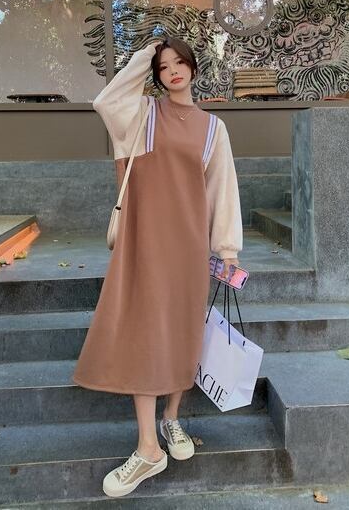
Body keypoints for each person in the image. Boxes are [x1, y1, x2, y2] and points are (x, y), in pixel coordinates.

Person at [72, 35, 243, 498]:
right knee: (146, 333)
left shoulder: (213, 128)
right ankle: (148, 447)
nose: (172, 71)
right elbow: (105, 101)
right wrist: (144, 54)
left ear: (193, 68)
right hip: (144, 242)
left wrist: (227, 249)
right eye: (164, 66)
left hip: (189, 247)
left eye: (179, 63)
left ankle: (171, 420)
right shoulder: (143, 114)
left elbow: (222, 189)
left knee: (182, 331)